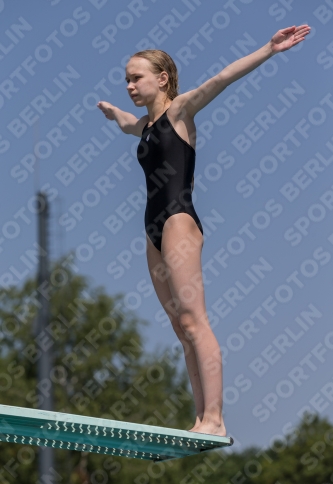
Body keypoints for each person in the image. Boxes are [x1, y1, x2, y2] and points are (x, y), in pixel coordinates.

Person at [97, 24, 311, 437]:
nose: (129, 84)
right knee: (180, 328)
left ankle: (215, 418)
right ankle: (200, 418)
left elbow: (221, 78)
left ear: (162, 79)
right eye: (125, 78)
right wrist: (114, 114)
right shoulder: (143, 126)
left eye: (135, 77)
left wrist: (268, 48)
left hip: (178, 219)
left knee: (195, 321)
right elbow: (128, 125)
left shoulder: (180, 112)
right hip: (152, 228)